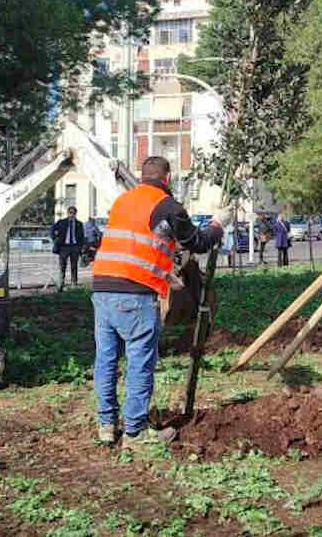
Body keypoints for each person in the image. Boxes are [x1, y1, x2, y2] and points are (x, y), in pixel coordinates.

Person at [91, 155, 224, 449]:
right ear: (167, 178)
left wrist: (164, 271)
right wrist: (217, 226)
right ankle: (135, 433)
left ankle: (106, 424)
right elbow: (197, 243)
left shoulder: (123, 202)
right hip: (134, 295)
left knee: (107, 359)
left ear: (142, 176)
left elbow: (137, 243)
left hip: (102, 289)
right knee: (139, 361)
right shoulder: (168, 206)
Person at [51, 206, 86, 291]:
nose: (72, 214)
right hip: (64, 247)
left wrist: (81, 248)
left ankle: (74, 283)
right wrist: (55, 239)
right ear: (67, 213)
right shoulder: (61, 222)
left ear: (75, 214)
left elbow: (82, 237)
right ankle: (61, 284)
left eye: (73, 213)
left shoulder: (79, 224)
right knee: (62, 266)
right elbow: (52, 230)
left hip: (75, 247)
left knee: (74, 266)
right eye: (70, 212)